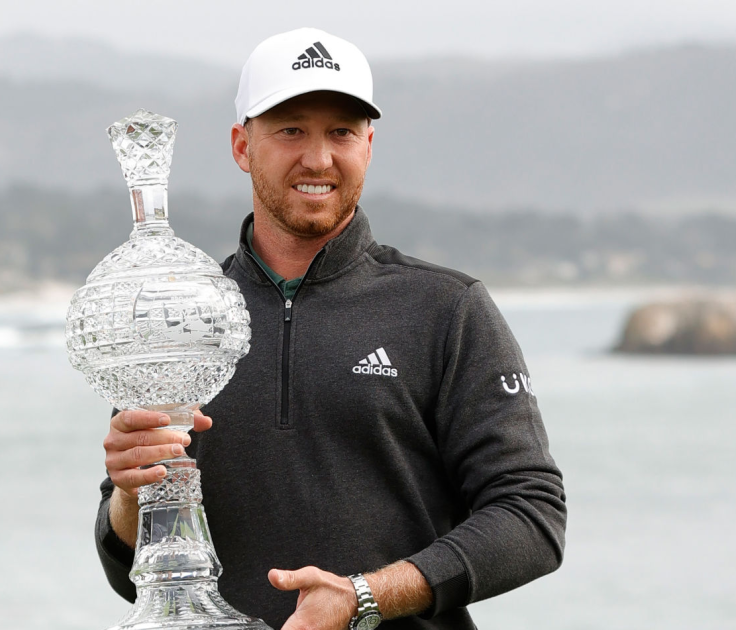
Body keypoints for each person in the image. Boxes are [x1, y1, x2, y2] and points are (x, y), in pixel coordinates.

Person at [95, 27, 566, 630]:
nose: (318, 159)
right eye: (291, 130)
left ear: (368, 144)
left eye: (341, 131)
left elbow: (531, 518)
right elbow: (127, 573)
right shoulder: (178, 318)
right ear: (242, 146)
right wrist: (131, 493)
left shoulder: (447, 308)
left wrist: (366, 596)